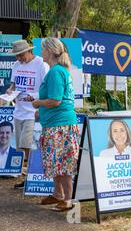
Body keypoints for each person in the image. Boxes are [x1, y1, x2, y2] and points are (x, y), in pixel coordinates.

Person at [30, 37, 80, 212]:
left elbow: (55, 100)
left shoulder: (55, 72)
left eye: (43, 49)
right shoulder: (58, 70)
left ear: (50, 52)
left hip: (61, 126)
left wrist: (38, 104)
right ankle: (57, 194)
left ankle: (67, 200)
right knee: (56, 162)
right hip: (57, 124)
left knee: (63, 163)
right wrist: (41, 111)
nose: (40, 52)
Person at [5, 40, 48, 188]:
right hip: (19, 112)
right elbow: (14, 85)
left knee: (28, 144)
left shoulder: (41, 64)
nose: (19, 58)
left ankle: (35, 177)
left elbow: (47, 88)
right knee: (23, 147)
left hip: (33, 113)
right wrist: (10, 91)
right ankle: (30, 177)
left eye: (21, 55)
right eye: (17, 56)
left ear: (29, 51)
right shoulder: (16, 65)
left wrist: (35, 97)